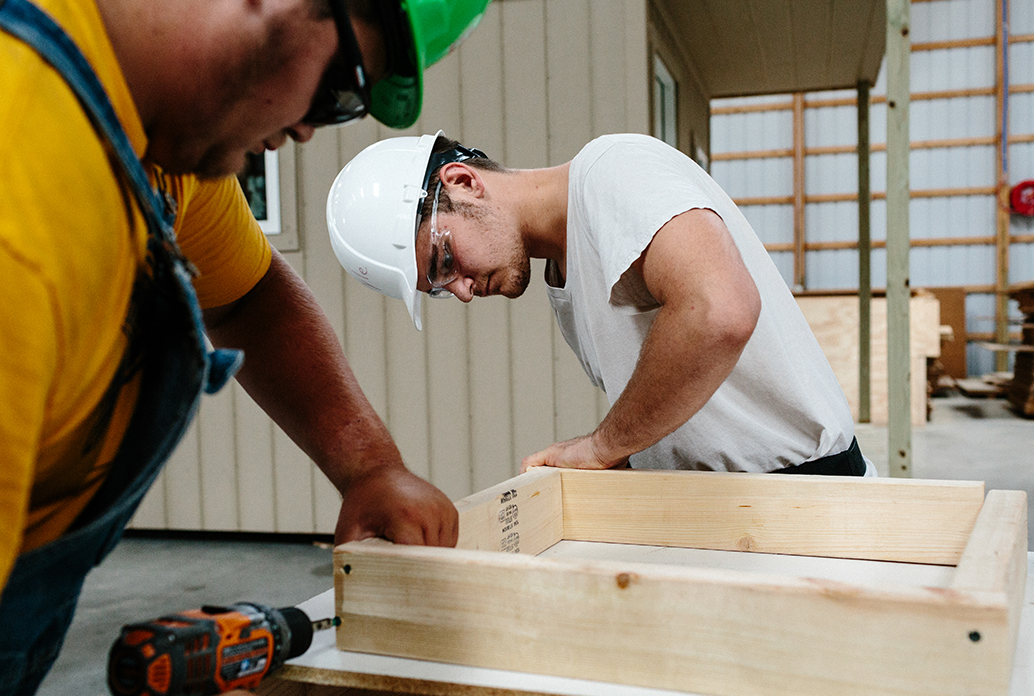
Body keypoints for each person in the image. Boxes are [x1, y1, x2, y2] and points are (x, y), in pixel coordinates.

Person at [0, 0, 488, 692]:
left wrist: (370, 467)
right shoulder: (19, 207)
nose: (310, 128)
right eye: (341, 86)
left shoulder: (149, 127)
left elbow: (249, 298)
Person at [327, 131, 874, 477]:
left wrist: (602, 447)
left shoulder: (613, 169)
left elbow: (719, 310)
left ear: (464, 181)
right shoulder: (564, 274)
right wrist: (625, 459)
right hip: (732, 515)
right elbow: (699, 413)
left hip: (811, 503)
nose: (463, 290)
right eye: (441, 290)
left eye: (444, 263)